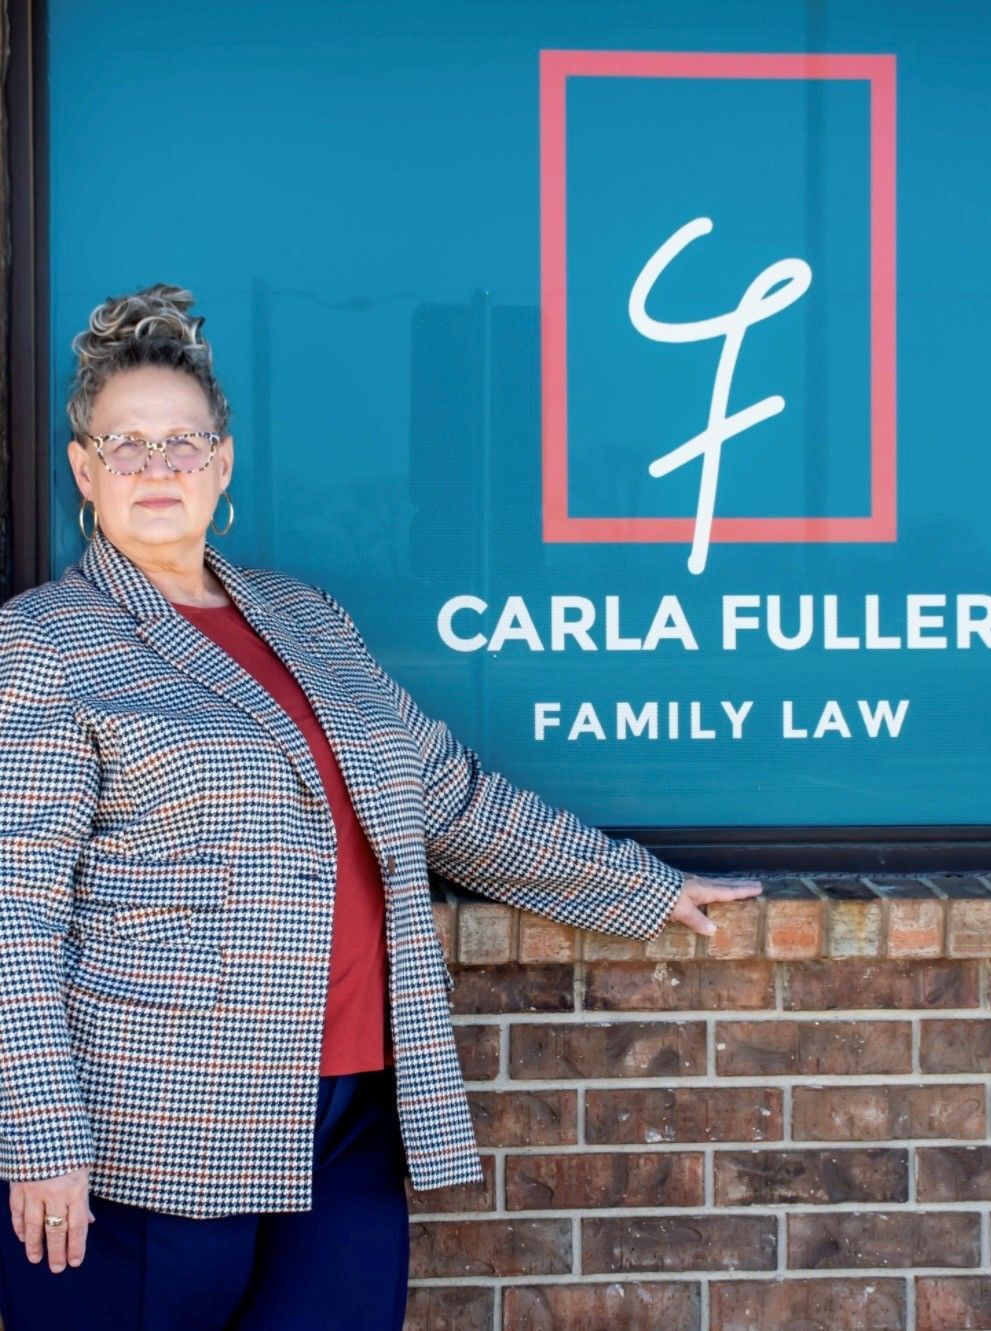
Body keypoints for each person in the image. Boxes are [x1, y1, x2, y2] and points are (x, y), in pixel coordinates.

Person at [0, 284, 760, 1329]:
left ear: (222, 465)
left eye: (183, 442)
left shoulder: (307, 619)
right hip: (152, 1125)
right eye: (126, 445)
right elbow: (14, 912)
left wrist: (647, 885)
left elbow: (451, 797)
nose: (158, 467)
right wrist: (41, 1134)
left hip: (349, 1111)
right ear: (85, 470)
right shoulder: (45, 642)